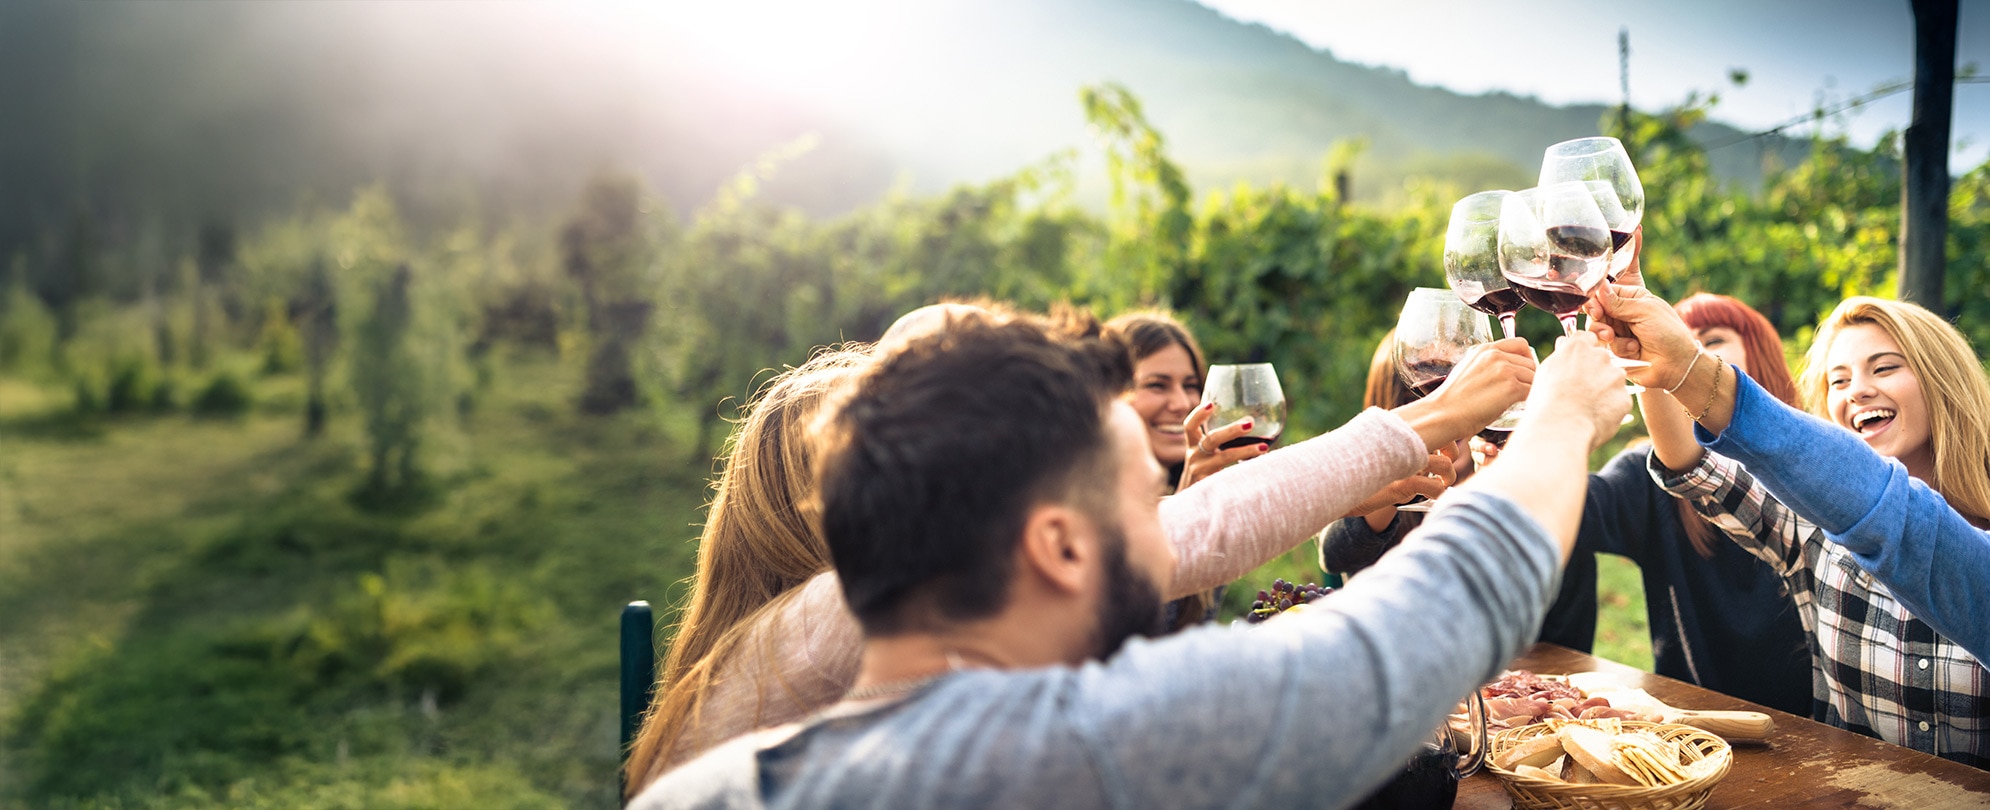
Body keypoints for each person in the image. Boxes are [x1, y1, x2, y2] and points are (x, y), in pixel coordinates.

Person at [631, 310, 1632, 810]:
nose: (1172, 528)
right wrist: (1561, 420)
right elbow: (1427, 619)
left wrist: (1417, 425)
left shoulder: (711, 789)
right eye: (1139, 509)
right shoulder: (1079, 747)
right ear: (1060, 547)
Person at [1592, 285, 1990, 767]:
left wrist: (1686, 365)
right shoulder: (1812, 529)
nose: (1858, 390)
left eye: (1884, 367)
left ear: (1943, 380)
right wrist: (1653, 363)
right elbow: (1695, 466)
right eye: (1837, 381)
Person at [1319, 329, 1599, 654]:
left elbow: (1567, 639)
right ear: (1394, 410)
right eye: (1428, 395)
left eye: (1467, 386)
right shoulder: (1379, 505)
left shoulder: (1517, 482)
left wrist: (1514, 498)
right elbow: (1336, 554)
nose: (1458, 408)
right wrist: (1397, 470)